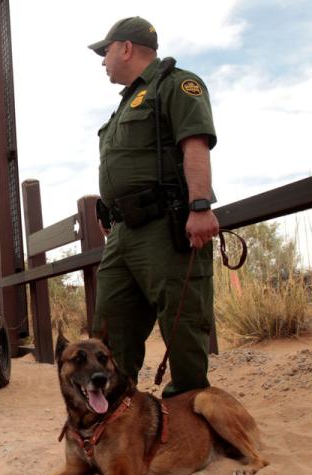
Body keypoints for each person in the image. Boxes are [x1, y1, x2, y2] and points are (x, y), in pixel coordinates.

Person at [87, 17, 219, 398]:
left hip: (166, 225)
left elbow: (194, 143)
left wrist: (199, 206)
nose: (103, 61)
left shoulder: (176, 85)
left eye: (106, 51)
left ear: (126, 48)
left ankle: (189, 413)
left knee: (182, 323)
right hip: (124, 234)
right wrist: (110, 209)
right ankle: (115, 409)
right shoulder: (125, 105)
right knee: (109, 327)